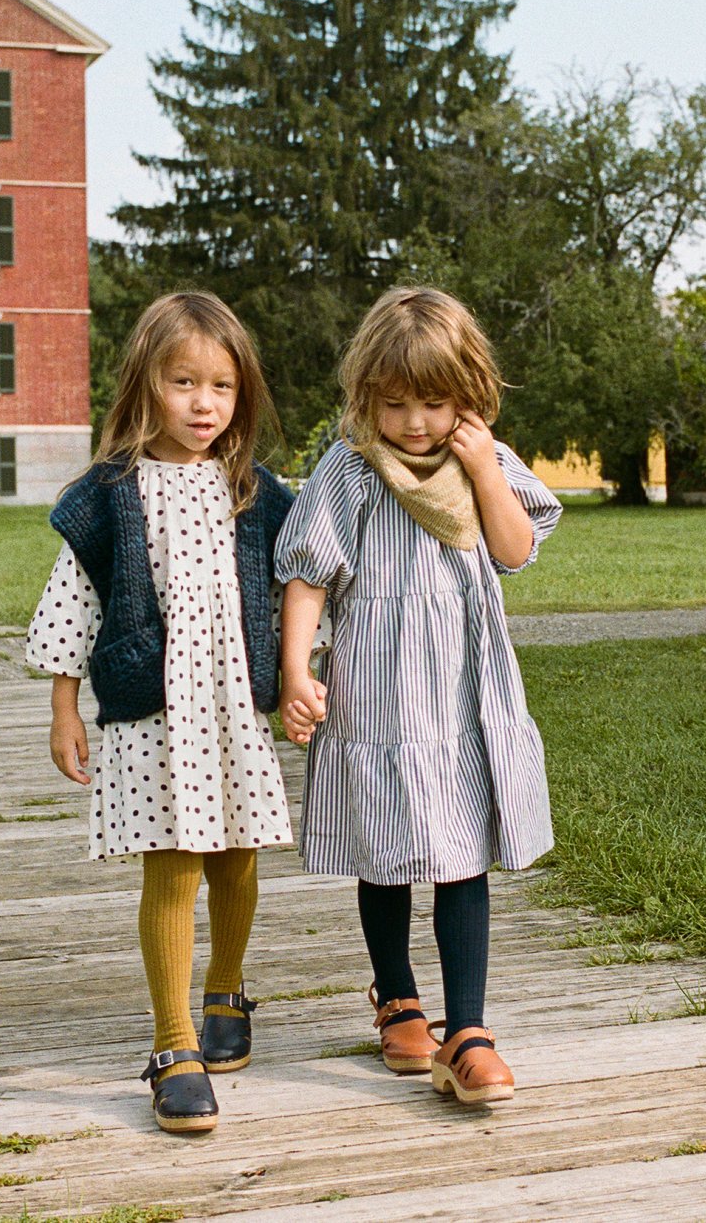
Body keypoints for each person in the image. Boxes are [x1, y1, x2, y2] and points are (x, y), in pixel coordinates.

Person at [274, 286, 562, 1106]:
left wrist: (479, 465)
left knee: (463, 848)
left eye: (435, 403)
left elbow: (513, 552)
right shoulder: (353, 469)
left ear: (470, 396)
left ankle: (467, 1031)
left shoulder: (486, 465)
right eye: (395, 403)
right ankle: (398, 998)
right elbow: (305, 574)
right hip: (377, 686)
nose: (415, 423)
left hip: (464, 690)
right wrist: (299, 672)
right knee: (388, 843)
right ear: (368, 396)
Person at [27, 291, 296, 1133]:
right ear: (145, 382)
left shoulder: (258, 494)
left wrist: (301, 676)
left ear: (241, 395)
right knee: (173, 864)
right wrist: (64, 707)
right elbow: (73, 602)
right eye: (183, 382)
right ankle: (174, 1044)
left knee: (237, 858)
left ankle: (226, 990)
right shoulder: (109, 497)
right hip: (152, 714)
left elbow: (302, 594)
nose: (203, 403)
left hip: (235, 711)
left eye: (221, 386)